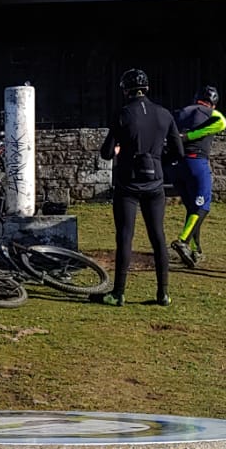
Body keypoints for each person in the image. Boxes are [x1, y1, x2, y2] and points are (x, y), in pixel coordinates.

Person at [98, 68, 186, 306]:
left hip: (128, 182)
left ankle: (118, 292)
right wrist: (158, 161)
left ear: (125, 90)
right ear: (147, 89)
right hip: (155, 182)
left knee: (125, 236)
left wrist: (121, 151)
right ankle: (163, 293)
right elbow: (178, 152)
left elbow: (106, 152)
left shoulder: (123, 114)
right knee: (158, 236)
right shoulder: (164, 114)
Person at [168, 86, 226, 268]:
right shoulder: (212, 113)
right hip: (196, 162)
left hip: (177, 166)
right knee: (203, 206)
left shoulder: (180, 113)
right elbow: (222, 123)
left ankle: (197, 250)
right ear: (213, 103)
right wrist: (189, 136)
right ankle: (183, 242)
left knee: (193, 209)